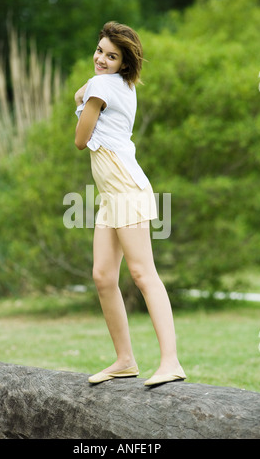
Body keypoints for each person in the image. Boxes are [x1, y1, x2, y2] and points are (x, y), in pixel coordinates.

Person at [74, 21, 186, 386]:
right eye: (99, 51)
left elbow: (80, 139)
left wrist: (85, 96)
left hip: (126, 188)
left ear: (123, 63)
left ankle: (170, 362)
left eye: (111, 56)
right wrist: (87, 94)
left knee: (143, 274)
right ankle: (124, 360)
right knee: (103, 276)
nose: (101, 59)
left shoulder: (104, 86)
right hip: (112, 195)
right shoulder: (120, 85)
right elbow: (84, 99)